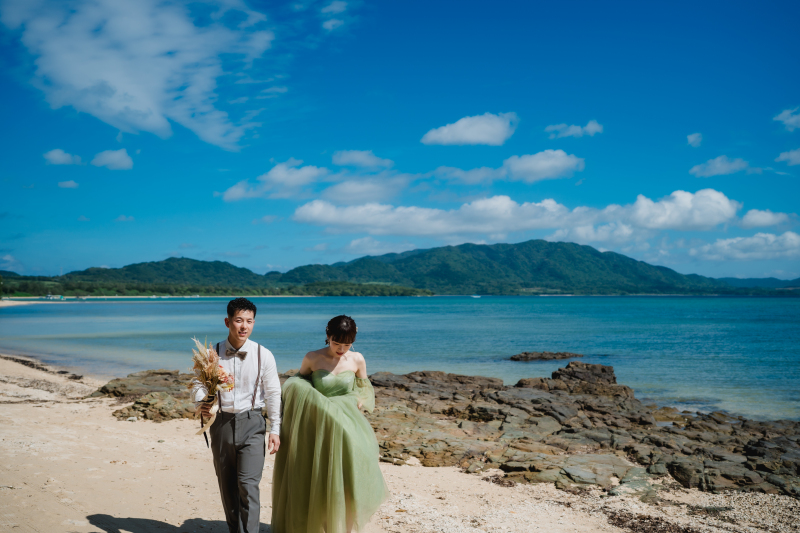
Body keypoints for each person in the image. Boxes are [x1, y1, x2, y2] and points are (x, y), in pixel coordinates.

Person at [271, 315, 388, 533]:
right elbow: (297, 384)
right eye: (336, 343)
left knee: (346, 481)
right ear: (328, 336)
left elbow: (364, 388)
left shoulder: (357, 359)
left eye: (347, 344)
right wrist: (319, 404)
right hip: (318, 427)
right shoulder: (313, 358)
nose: (341, 349)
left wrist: (358, 400)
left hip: (347, 426)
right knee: (316, 478)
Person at [192, 297, 281, 533]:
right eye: (239, 320)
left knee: (249, 485)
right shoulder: (212, 354)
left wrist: (275, 429)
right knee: (228, 486)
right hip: (220, 424)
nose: (244, 326)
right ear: (227, 321)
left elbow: (273, 393)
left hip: (253, 423)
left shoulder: (264, 355)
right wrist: (202, 401)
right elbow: (198, 384)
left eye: (249, 321)